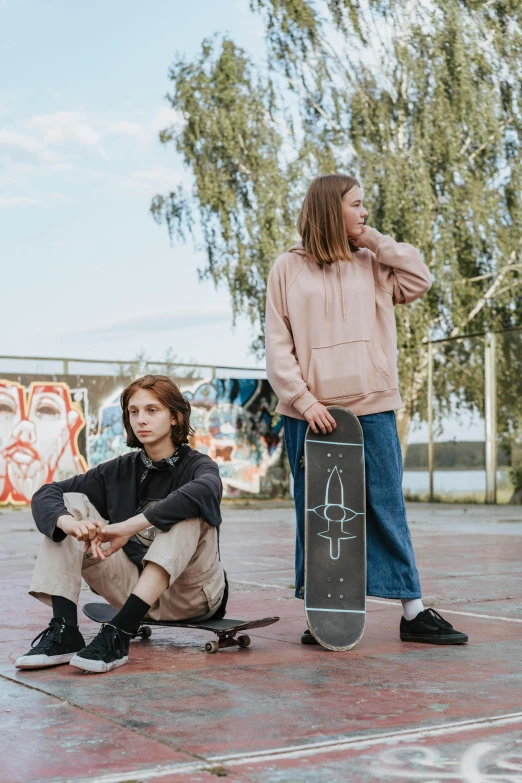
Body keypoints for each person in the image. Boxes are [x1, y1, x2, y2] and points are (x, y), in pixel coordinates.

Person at [265, 173, 468, 646]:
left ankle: (412, 611)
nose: (364, 213)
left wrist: (370, 238)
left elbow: (420, 278)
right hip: (310, 414)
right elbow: (278, 347)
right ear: (330, 210)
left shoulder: (372, 262)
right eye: (356, 206)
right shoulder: (287, 268)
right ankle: (324, 615)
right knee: (317, 514)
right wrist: (305, 400)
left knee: (384, 506)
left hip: (372, 407)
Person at [16, 374, 227, 673]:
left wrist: (128, 527)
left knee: (187, 510)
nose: (141, 419)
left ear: (176, 417)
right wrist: (69, 524)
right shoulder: (119, 470)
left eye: (152, 410)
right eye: (134, 411)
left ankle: (119, 634)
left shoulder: (198, 466)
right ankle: (65, 631)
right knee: (71, 502)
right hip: (131, 590)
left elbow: (205, 491)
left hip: (192, 596)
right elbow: (46, 494)